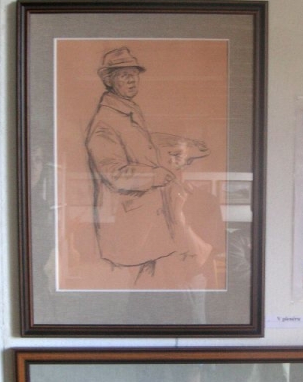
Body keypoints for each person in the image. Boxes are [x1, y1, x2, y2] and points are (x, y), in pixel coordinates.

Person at [85, 46, 216, 287]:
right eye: (124, 75)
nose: (132, 80)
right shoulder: (105, 123)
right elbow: (114, 173)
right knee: (141, 289)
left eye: (134, 74)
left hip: (147, 225)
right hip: (129, 227)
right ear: (108, 80)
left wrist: (183, 144)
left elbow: (144, 142)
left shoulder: (126, 111)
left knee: (161, 280)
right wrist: (154, 176)